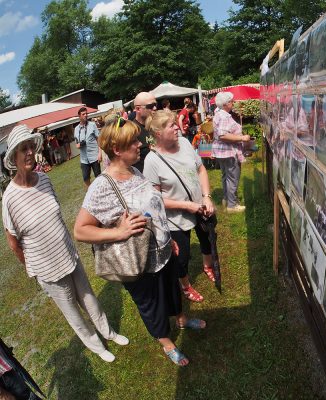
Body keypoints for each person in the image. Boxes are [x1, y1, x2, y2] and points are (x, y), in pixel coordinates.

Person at [74, 118, 204, 366]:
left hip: (162, 251)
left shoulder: (134, 171)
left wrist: (166, 238)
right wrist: (118, 233)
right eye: (133, 141)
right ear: (117, 150)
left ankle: (181, 318)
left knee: (172, 290)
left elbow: (153, 207)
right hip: (137, 262)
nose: (139, 144)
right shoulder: (101, 186)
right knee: (151, 303)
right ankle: (166, 341)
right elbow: (80, 230)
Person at [2, 125, 128, 364]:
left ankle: (109, 332)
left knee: (88, 297)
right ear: (14, 157)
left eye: (31, 147)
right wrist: (33, 269)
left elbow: (56, 216)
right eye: (23, 150)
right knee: (72, 311)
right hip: (46, 268)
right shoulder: (9, 198)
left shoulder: (46, 180)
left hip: (68, 254)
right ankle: (96, 345)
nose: (29, 153)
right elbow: (13, 242)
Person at [143, 110, 216, 303]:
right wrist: (185, 205)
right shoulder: (151, 161)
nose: (178, 127)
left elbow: (201, 170)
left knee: (208, 239)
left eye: (176, 123)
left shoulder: (184, 143)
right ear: (158, 133)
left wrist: (207, 197)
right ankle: (185, 286)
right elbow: (155, 199)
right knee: (181, 258)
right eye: (172, 125)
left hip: (201, 207)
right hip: (175, 220)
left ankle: (208, 266)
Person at [212, 91, 251, 212]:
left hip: (221, 152)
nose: (233, 103)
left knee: (226, 176)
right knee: (233, 178)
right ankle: (232, 205)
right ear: (225, 104)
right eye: (231, 101)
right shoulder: (224, 116)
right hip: (228, 152)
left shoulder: (218, 113)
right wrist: (242, 138)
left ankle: (226, 199)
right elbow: (223, 135)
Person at [74, 107, 102, 187]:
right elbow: (76, 144)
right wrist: (79, 145)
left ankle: (100, 191)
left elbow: (98, 140)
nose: (86, 115)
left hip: (94, 156)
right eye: (83, 114)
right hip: (84, 159)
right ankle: (91, 192)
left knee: (98, 177)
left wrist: (100, 153)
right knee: (85, 178)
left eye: (86, 114)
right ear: (79, 116)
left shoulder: (92, 125)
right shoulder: (76, 129)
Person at [131, 92, 158, 172]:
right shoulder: (132, 131)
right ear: (138, 109)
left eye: (155, 104)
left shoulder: (157, 126)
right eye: (150, 106)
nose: (155, 108)